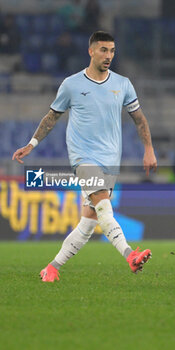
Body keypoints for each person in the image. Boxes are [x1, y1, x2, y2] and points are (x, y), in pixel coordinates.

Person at [12, 31, 157, 282]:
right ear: (91, 51)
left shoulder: (123, 84)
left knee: (89, 224)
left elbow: (139, 119)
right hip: (83, 158)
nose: (108, 55)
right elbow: (51, 117)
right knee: (103, 203)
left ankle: (52, 268)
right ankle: (130, 255)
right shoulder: (72, 84)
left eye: (112, 50)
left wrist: (149, 149)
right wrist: (31, 144)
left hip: (111, 159)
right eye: (103, 50)